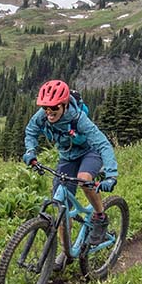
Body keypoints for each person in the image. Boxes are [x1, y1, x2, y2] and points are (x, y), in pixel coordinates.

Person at [22, 79, 119, 261]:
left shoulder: (78, 119)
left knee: (84, 178)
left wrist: (111, 175)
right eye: (45, 108)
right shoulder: (42, 116)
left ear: (65, 104)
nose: (49, 112)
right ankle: (66, 251)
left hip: (90, 152)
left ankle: (100, 216)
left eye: (54, 108)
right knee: (60, 205)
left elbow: (103, 144)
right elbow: (31, 131)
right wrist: (30, 151)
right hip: (67, 157)